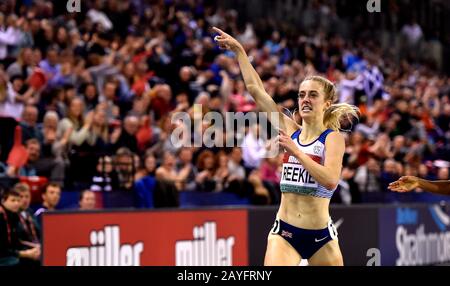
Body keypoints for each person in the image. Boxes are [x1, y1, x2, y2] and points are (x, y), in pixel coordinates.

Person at [213, 27, 359, 266]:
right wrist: (240, 51)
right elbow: (256, 91)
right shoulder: (290, 129)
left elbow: (331, 180)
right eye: (302, 95)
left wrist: (297, 152)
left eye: (313, 95)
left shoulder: (332, 139)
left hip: (321, 236)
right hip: (285, 233)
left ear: (327, 103)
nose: (305, 100)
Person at [0, 188, 40, 266]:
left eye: (18, 201)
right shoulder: (1, 216)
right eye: (13, 200)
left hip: (10, 253)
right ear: (3, 201)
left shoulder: (14, 216)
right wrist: (23, 254)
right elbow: (2, 248)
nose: (16, 203)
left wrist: (34, 248)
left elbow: (16, 241)